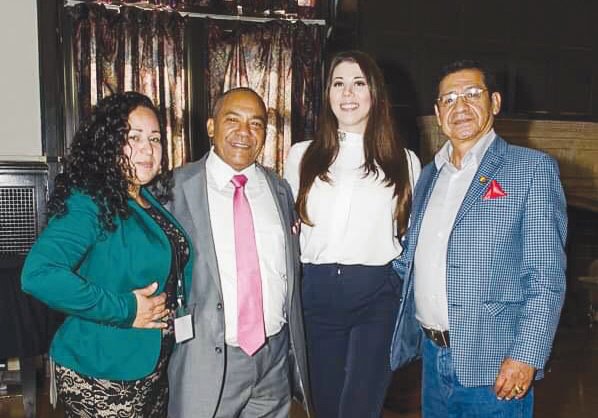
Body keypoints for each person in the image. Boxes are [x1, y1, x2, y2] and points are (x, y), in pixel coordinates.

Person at [389, 60, 567, 417]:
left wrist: (526, 355)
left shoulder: (530, 169)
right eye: (449, 99)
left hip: (496, 365)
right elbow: (411, 261)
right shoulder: (428, 176)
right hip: (432, 360)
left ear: (494, 102)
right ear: (438, 113)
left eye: (472, 94)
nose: (460, 106)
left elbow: (546, 276)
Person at [21, 92, 193, 417]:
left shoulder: (145, 198)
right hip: (102, 370)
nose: (148, 149)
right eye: (134, 137)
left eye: (155, 138)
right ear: (108, 143)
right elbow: (38, 275)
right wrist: (126, 309)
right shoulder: (89, 201)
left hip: (149, 366)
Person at [284, 50, 421, 418]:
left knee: (361, 406)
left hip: (377, 296)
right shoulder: (301, 155)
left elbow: (411, 234)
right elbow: (288, 226)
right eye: (338, 83)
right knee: (323, 405)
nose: (347, 93)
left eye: (358, 83)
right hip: (316, 292)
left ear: (374, 93)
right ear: (327, 93)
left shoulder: (404, 160)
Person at [166, 87, 311, 418]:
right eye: (233, 120)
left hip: (273, 359)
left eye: (256, 123)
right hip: (205, 359)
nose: (244, 132)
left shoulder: (279, 189)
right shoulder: (174, 189)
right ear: (211, 126)